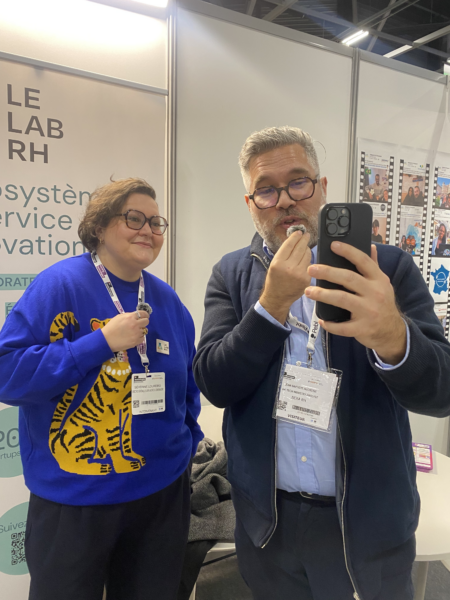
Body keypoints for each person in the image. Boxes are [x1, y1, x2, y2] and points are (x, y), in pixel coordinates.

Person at [194, 126, 450, 600]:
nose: (285, 200)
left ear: (323, 187)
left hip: (368, 524)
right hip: (269, 524)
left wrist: (394, 337)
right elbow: (214, 382)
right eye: (266, 190)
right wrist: (270, 307)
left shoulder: (387, 268)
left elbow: (442, 392)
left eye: (299, 182)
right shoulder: (232, 274)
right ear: (250, 204)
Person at [0, 178, 203, 600]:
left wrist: (185, 450)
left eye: (156, 222)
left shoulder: (167, 300)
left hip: (161, 497)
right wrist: (100, 343)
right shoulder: (60, 285)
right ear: (99, 226)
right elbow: (7, 373)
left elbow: (187, 385)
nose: (149, 230)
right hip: (76, 500)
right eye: (134, 218)